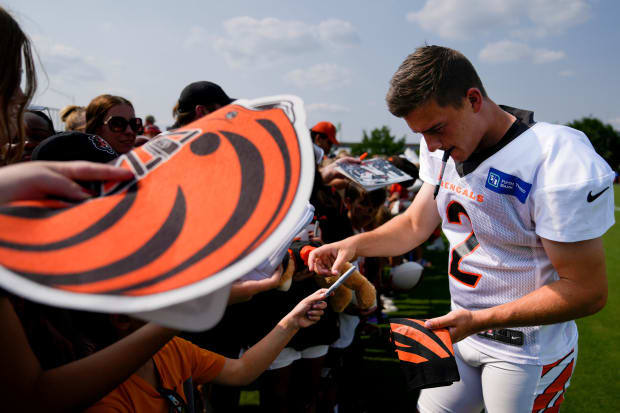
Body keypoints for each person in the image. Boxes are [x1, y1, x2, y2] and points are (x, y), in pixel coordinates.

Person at [309, 45, 614, 413]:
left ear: (473, 99)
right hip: (459, 332)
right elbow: (414, 224)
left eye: (436, 129)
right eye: (421, 134)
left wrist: (479, 320)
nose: (431, 145)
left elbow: (587, 291)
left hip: (523, 347)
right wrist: (353, 244)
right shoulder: (441, 148)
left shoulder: (553, 156)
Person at [84, 290, 327, 412]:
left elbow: (240, 371)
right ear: (121, 319)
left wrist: (293, 321)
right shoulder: (102, 400)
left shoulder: (170, 349)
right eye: (154, 294)